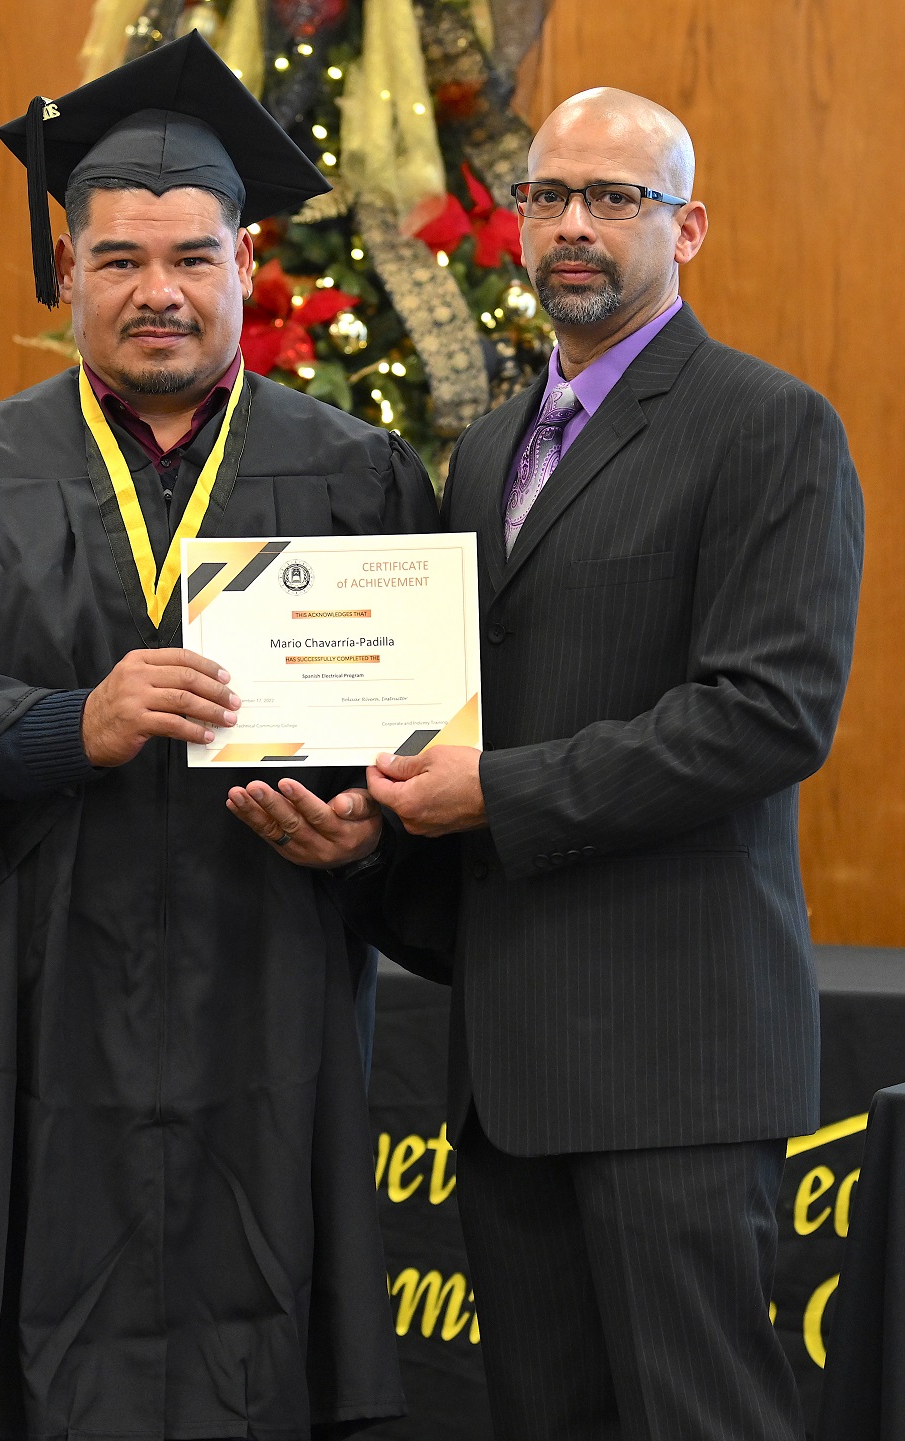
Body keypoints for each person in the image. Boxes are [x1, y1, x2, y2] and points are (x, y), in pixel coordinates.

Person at [233, 89, 865, 1440]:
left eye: (615, 198)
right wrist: (375, 826)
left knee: (702, 1418)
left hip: (673, 1063)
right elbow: (462, 713)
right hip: (509, 1060)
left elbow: (766, 716)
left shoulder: (770, 427)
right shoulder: (485, 451)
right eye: (548, 196)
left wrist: (494, 796)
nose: (573, 224)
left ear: (685, 226)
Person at [0, 32, 435, 1441]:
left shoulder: (357, 476)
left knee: (269, 1332)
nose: (156, 292)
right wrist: (68, 721)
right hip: (36, 993)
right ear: (68, 267)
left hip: (269, 971)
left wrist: (373, 821)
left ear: (245, 265)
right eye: (118, 260)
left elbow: (427, 727)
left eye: (190, 257)